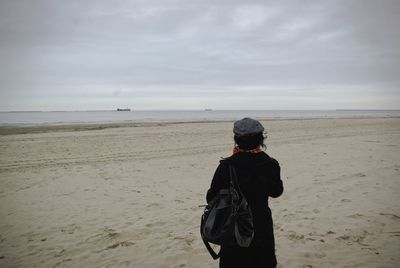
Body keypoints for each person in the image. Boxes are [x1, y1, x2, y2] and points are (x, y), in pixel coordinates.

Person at [206, 117, 283, 268]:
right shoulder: (270, 164)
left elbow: (211, 197)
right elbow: (277, 192)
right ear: (261, 139)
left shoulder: (226, 166)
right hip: (261, 223)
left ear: (236, 139)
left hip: (233, 225)